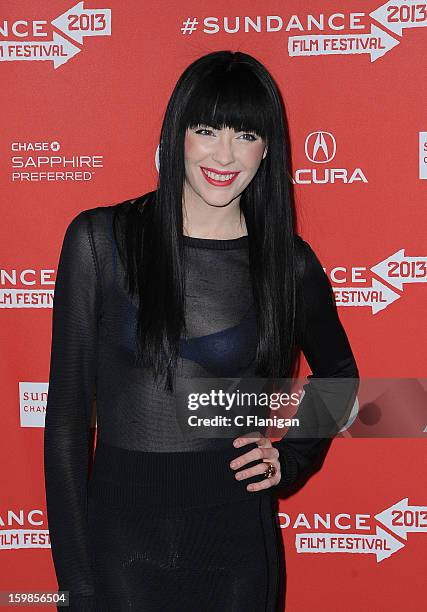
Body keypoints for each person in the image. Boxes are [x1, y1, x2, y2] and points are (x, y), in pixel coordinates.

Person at [44, 50, 359, 611]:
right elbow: (66, 423)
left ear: (268, 150)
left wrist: (292, 459)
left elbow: (342, 376)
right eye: (207, 129)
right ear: (178, 135)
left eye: (245, 134)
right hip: (120, 554)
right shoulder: (99, 241)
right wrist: (76, 585)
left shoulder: (289, 265)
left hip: (236, 550)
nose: (224, 154)